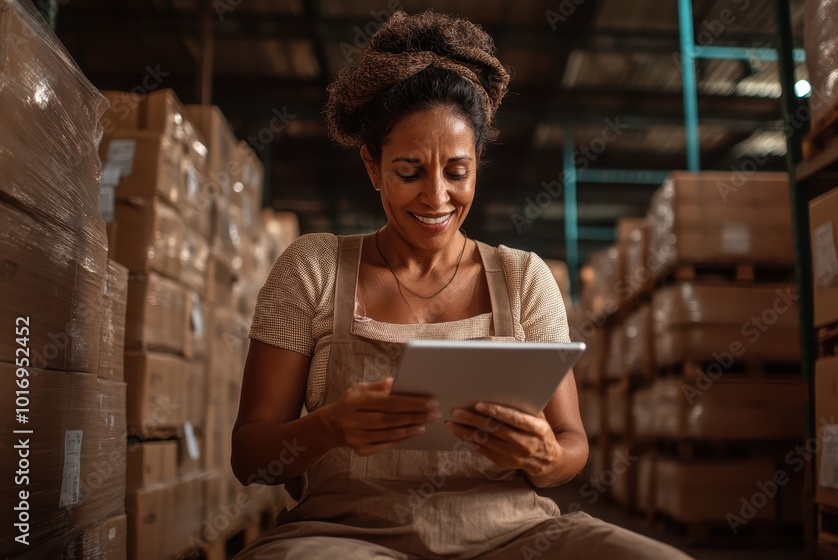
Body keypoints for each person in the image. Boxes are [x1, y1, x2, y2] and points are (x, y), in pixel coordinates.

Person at [231, 10, 692, 560]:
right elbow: (250, 457)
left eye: (456, 171)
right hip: (348, 537)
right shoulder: (314, 269)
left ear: (477, 165)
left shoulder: (523, 278)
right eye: (408, 172)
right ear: (372, 167)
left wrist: (545, 456)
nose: (435, 197)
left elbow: (573, 445)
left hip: (514, 534)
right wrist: (327, 429)